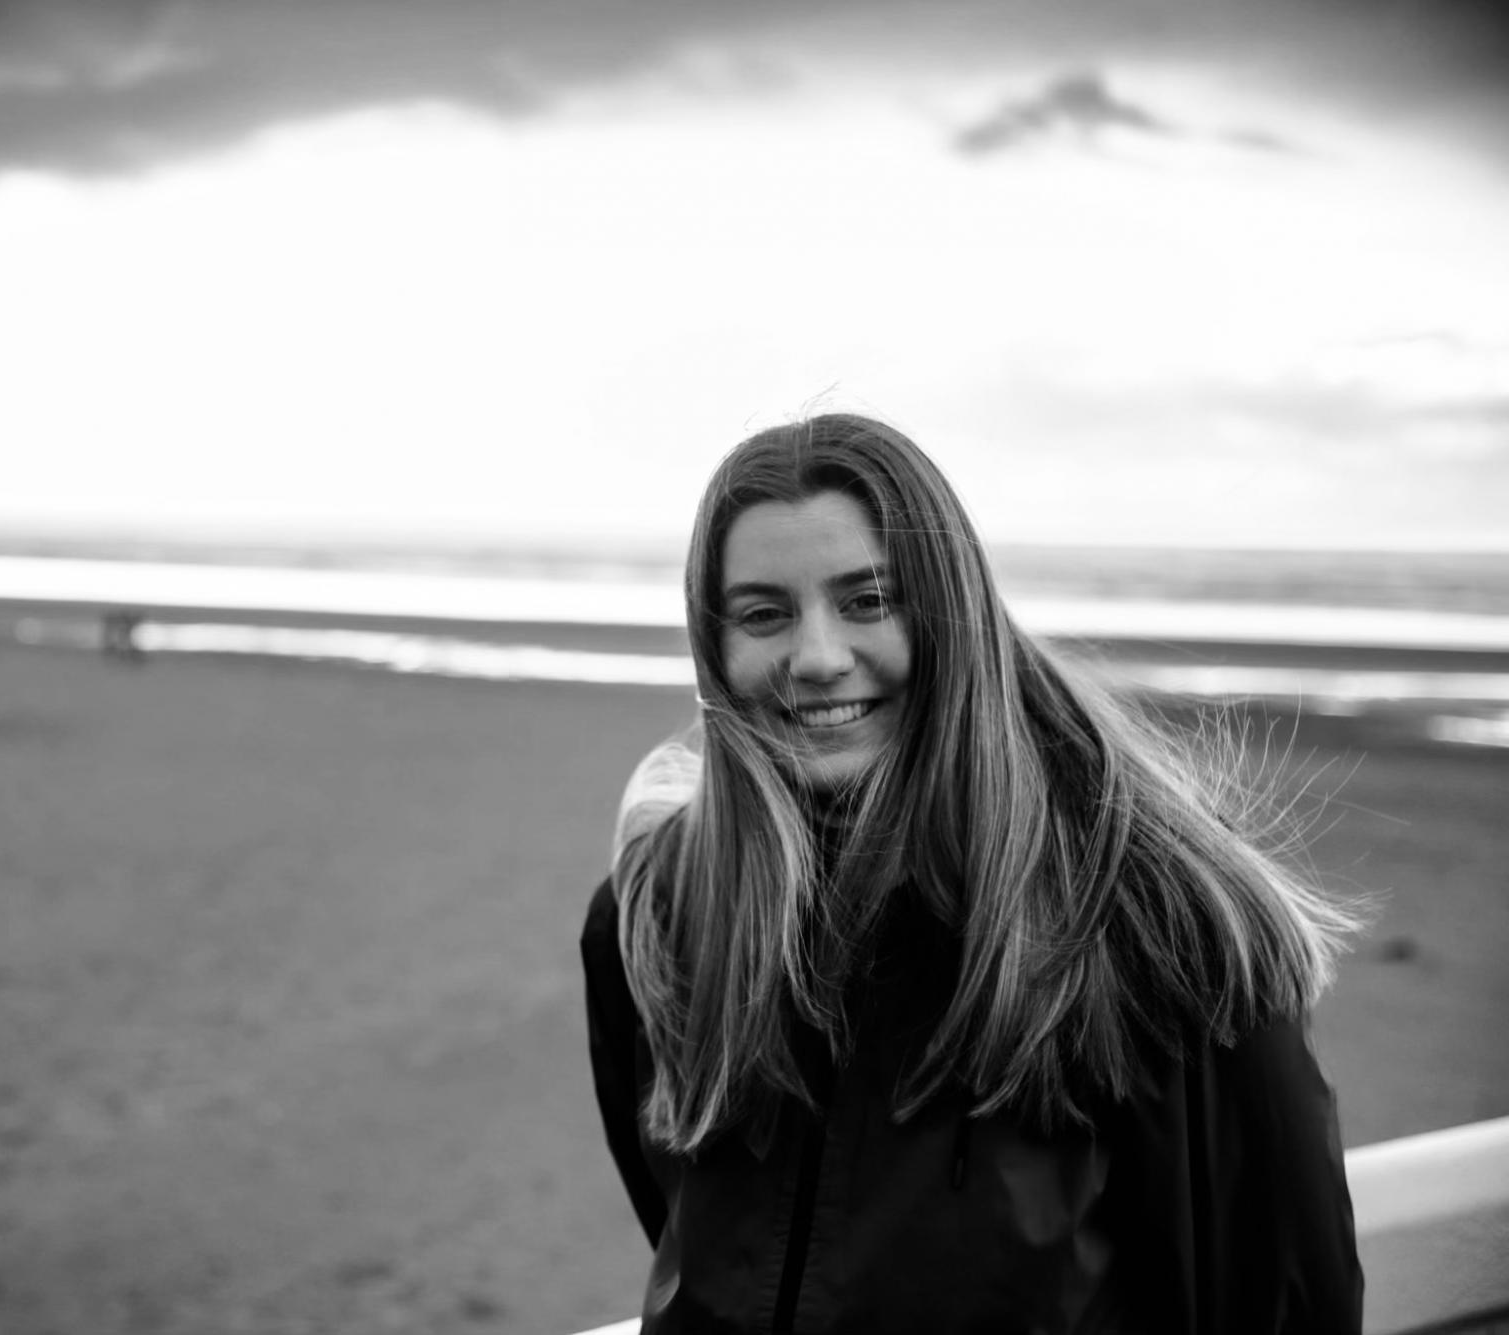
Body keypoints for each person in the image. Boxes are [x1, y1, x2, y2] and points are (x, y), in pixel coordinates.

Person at [581, 414, 1364, 1333]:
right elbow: (684, 1233)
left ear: (950, 613)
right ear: (715, 647)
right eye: (764, 614)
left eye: (870, 600)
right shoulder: (657, 910)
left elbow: (1281, 1301)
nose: (818, 657)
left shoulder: (1151, 916)